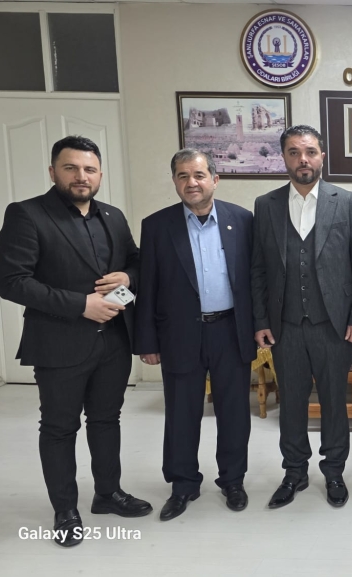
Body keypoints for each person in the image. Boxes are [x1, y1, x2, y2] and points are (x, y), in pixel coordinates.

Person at [0, 135, 151, 547]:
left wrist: (127, 278)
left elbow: (136, 262)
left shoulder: (113, 216)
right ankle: (65, 509)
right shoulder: (27, 214)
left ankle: (108, 494)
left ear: (99, 174)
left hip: (114, 341)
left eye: (89, 169)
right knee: (59, 428)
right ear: (53, 172)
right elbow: (11, 282)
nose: (81, 176)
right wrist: (81, 305)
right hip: (59, 343)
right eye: (71, 168)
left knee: (106, 420)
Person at [251, 125, 352, 510]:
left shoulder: (347, 202)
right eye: (293, 152)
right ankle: (294, 472)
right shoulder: (266, 204)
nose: (302, 159)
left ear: (322, 156)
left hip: (333, 325)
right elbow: (258, 269)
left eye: (309, 152)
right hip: (285, 326)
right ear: (283, 158)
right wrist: (261, 320)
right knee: (291, 403)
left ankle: (334, 471)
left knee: (334, 401)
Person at [134, 149, 255, 520]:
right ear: (174, 181)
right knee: (181, 414)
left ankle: (233, 480)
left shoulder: (242, 220)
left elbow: (256, 280)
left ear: (215, 179)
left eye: (199, 175)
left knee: (234, 412)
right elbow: (148, 286)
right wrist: (146, 341)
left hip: (231, 331)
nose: (192, 183)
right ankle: (183, 484)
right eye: (183, 176)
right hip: (180, 334)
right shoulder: (157, 226)